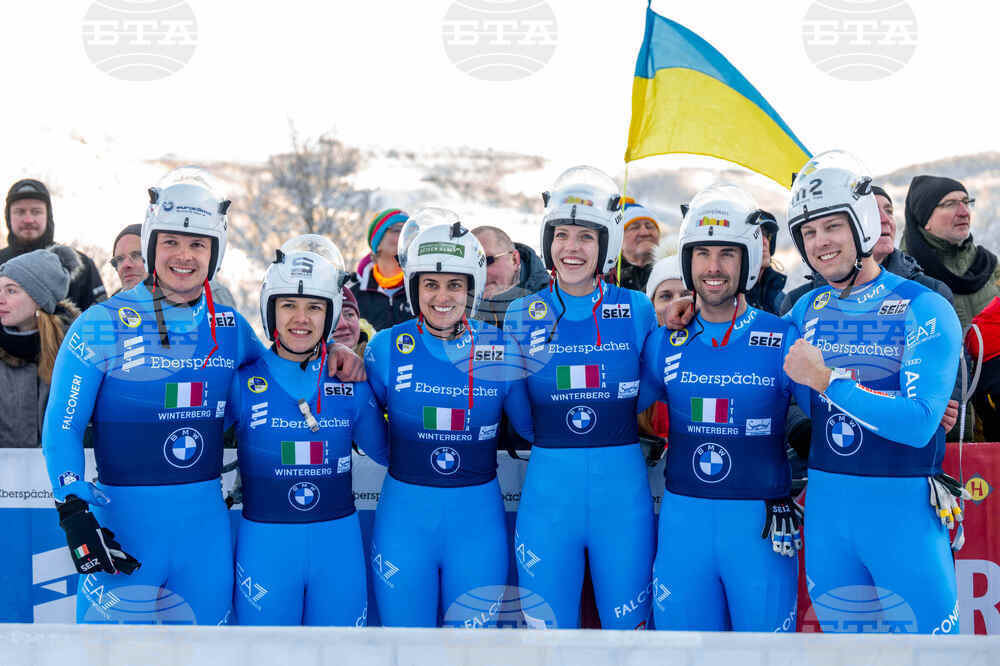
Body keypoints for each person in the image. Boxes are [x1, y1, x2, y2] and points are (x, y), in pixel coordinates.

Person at [41, 167, 366, 624]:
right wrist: (73, 508)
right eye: (171, 241)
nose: (184, 256)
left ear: (216, 252)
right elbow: (62, 425)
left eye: (198, 244)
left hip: (205, 538)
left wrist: (332, 348)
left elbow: (284, 362)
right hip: (123, 528)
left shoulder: (229, 326)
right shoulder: (99, 324)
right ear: (153, 244)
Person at [781, 150, 962, 633]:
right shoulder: (804, 311)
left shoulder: (922, 305)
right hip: (827, 517)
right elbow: (742, 359)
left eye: (832, 227)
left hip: (903, 518)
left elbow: (920, 422)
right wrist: (686, 312)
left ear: (861, 226)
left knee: (935, 659)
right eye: (808, 232)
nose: (820, 243)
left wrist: (826, 380)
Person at [637, 184, 800, 632]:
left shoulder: (781, 335)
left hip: (758, 530)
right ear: (687, 261)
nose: (713, 267)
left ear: (748, 260)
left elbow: (825, 414)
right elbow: (617, 412)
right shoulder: (664, 339)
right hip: (683, 526)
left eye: (727, 253)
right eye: (702, 253)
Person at [503, 166, 657, 629]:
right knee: (547, 640)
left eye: (586, 237)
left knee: (628, 635)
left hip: (622, 496)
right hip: (549, 495)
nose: (571, 248)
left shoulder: (636, 309)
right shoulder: (520, 313)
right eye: (562, 235)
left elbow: (647, 391)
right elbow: (519, 409)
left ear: (605, 244)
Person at [364, 210, 533, 627]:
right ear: (414, 286)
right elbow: (367, 432)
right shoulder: (385, 347)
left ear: (471, 288)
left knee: (472, 654)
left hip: (477, 527)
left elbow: (531, 428)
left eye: (455, 284)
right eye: (431, 284)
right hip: (404, 523)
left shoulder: (501, 347)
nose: (443, 296)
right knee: (406, 651)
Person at [227, 235, 387, 626]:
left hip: (338, 552)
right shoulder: (241, 382)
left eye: (314, 307)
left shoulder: (349, 380)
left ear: (330, 314)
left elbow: (393, 456)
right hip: (265, 550)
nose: (301, 318)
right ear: (270, 310)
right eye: (289, 305)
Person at [781, 186, 953, 314]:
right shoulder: (798, 303)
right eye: (873, 213)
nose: (884, 219)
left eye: (889, 211)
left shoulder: (928, 292)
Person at [0, 246, 81, 447]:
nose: (1, 299)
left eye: (11, 291)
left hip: (58, 471)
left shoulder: (78, 352)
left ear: (39, 299)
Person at [901, 175, 999, 332]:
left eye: (966, 202)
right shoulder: (903, 274)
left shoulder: (989, 264)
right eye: (950, 204)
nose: (964, 212)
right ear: (925, 218)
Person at [2, 178, 106, 311]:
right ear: (8, 217)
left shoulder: (81, 266)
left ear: (48, 216)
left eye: (36, 211)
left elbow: (101, 319)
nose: (28, 219)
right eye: (20, 212)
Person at [111, 223, 237, 307]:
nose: (126, 265)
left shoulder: (215, 295)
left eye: (137, 255)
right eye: (119, 259)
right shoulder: (110, 310)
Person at [471, 225, 548, 329]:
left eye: (487, 261)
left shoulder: (553, 300)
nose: (480, 273)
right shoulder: (457, 305)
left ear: (514, 260)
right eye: (471, 266)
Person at [348, 208, 413, 331]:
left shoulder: (421, 286)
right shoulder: (355, 294)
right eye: (398, 230)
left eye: (409, 230)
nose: (405, 235)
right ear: (377, 243)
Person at [605, 198, 660, 292]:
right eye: (634, 227)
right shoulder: (603, 278)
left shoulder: (676, 269)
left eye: (649, 226)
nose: (644, 232)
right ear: (618, 238)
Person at [745, 213, 787, 315]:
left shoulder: (778, 297)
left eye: (766, 234)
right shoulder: (726, 299)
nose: (764, 241)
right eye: (756, 235)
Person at [333, 285, 374, 356]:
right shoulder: (308, 365)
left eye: (349, 314)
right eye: (332, 317)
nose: (343, 324)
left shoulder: (379, 357)